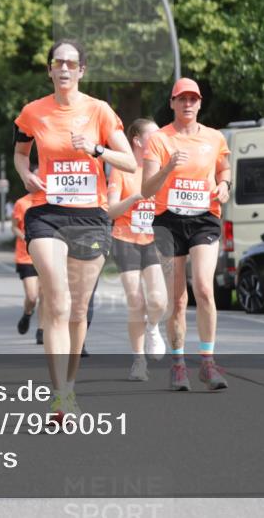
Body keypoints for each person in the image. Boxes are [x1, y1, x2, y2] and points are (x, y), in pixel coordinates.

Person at [13, 39, 135, 419]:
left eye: (71, 63)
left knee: (78, 311)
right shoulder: (34, 112)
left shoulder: (99, 111)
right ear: (49, 70)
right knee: (58, 302)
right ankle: (58, 394)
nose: (63, 69)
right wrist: (25, 175)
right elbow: (20, 153)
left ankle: (69, 387)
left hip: (89, 216)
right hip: (46, 212)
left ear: (82, 70)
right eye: (57, 63)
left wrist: (97, 150)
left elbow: (129, 162)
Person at [141, 78, 232, 391]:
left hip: (205, 218)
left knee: (205, 289)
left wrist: (225, 186)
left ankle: (207, 362)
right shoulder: (158, 140)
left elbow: (224, 169)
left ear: (200, 103)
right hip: (168, 221)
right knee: (177, 300)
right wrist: (167, 169)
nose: (188, 105)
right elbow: (146, 188)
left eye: (193, 99)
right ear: (172, 103)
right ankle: (178, 365)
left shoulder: (215, 137)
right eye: (182, 99)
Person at [106, 118, 167, 381]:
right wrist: (134, 197)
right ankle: (138, 360)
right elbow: (110, 210)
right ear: (138, 140)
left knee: (157, 301)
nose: (159, 139)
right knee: (136, 301)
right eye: (153, 136)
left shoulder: (160, 169)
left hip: (153, 239)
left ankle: (153, 327)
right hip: (125, 238)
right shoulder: (122, 170)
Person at [12, 188, 41, 340]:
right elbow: (14, 226)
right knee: (32, 296)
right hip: (26, 256)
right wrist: (23, 236)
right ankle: (27, 314)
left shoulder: (51, 201)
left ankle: (42, 330)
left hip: (46, 254)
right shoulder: (22, 203)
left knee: (47, 295)